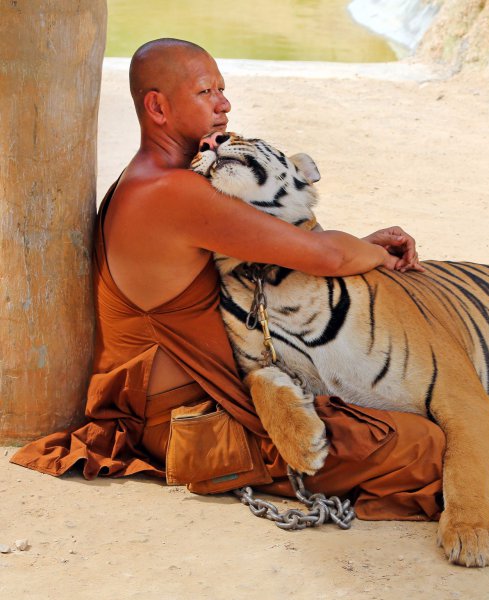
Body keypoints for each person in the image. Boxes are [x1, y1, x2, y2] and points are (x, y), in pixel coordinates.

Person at [12, 38, 444, 521]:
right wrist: (374, 253)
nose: (224, 103)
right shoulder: (169, 192)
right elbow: (323, 255)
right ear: (157, 106)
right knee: (422, 445)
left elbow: (289, 248)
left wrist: (359, 244)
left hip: (198, 405)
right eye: (205, 92)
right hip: (188, 424)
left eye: (222, 88)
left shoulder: (157, 178)